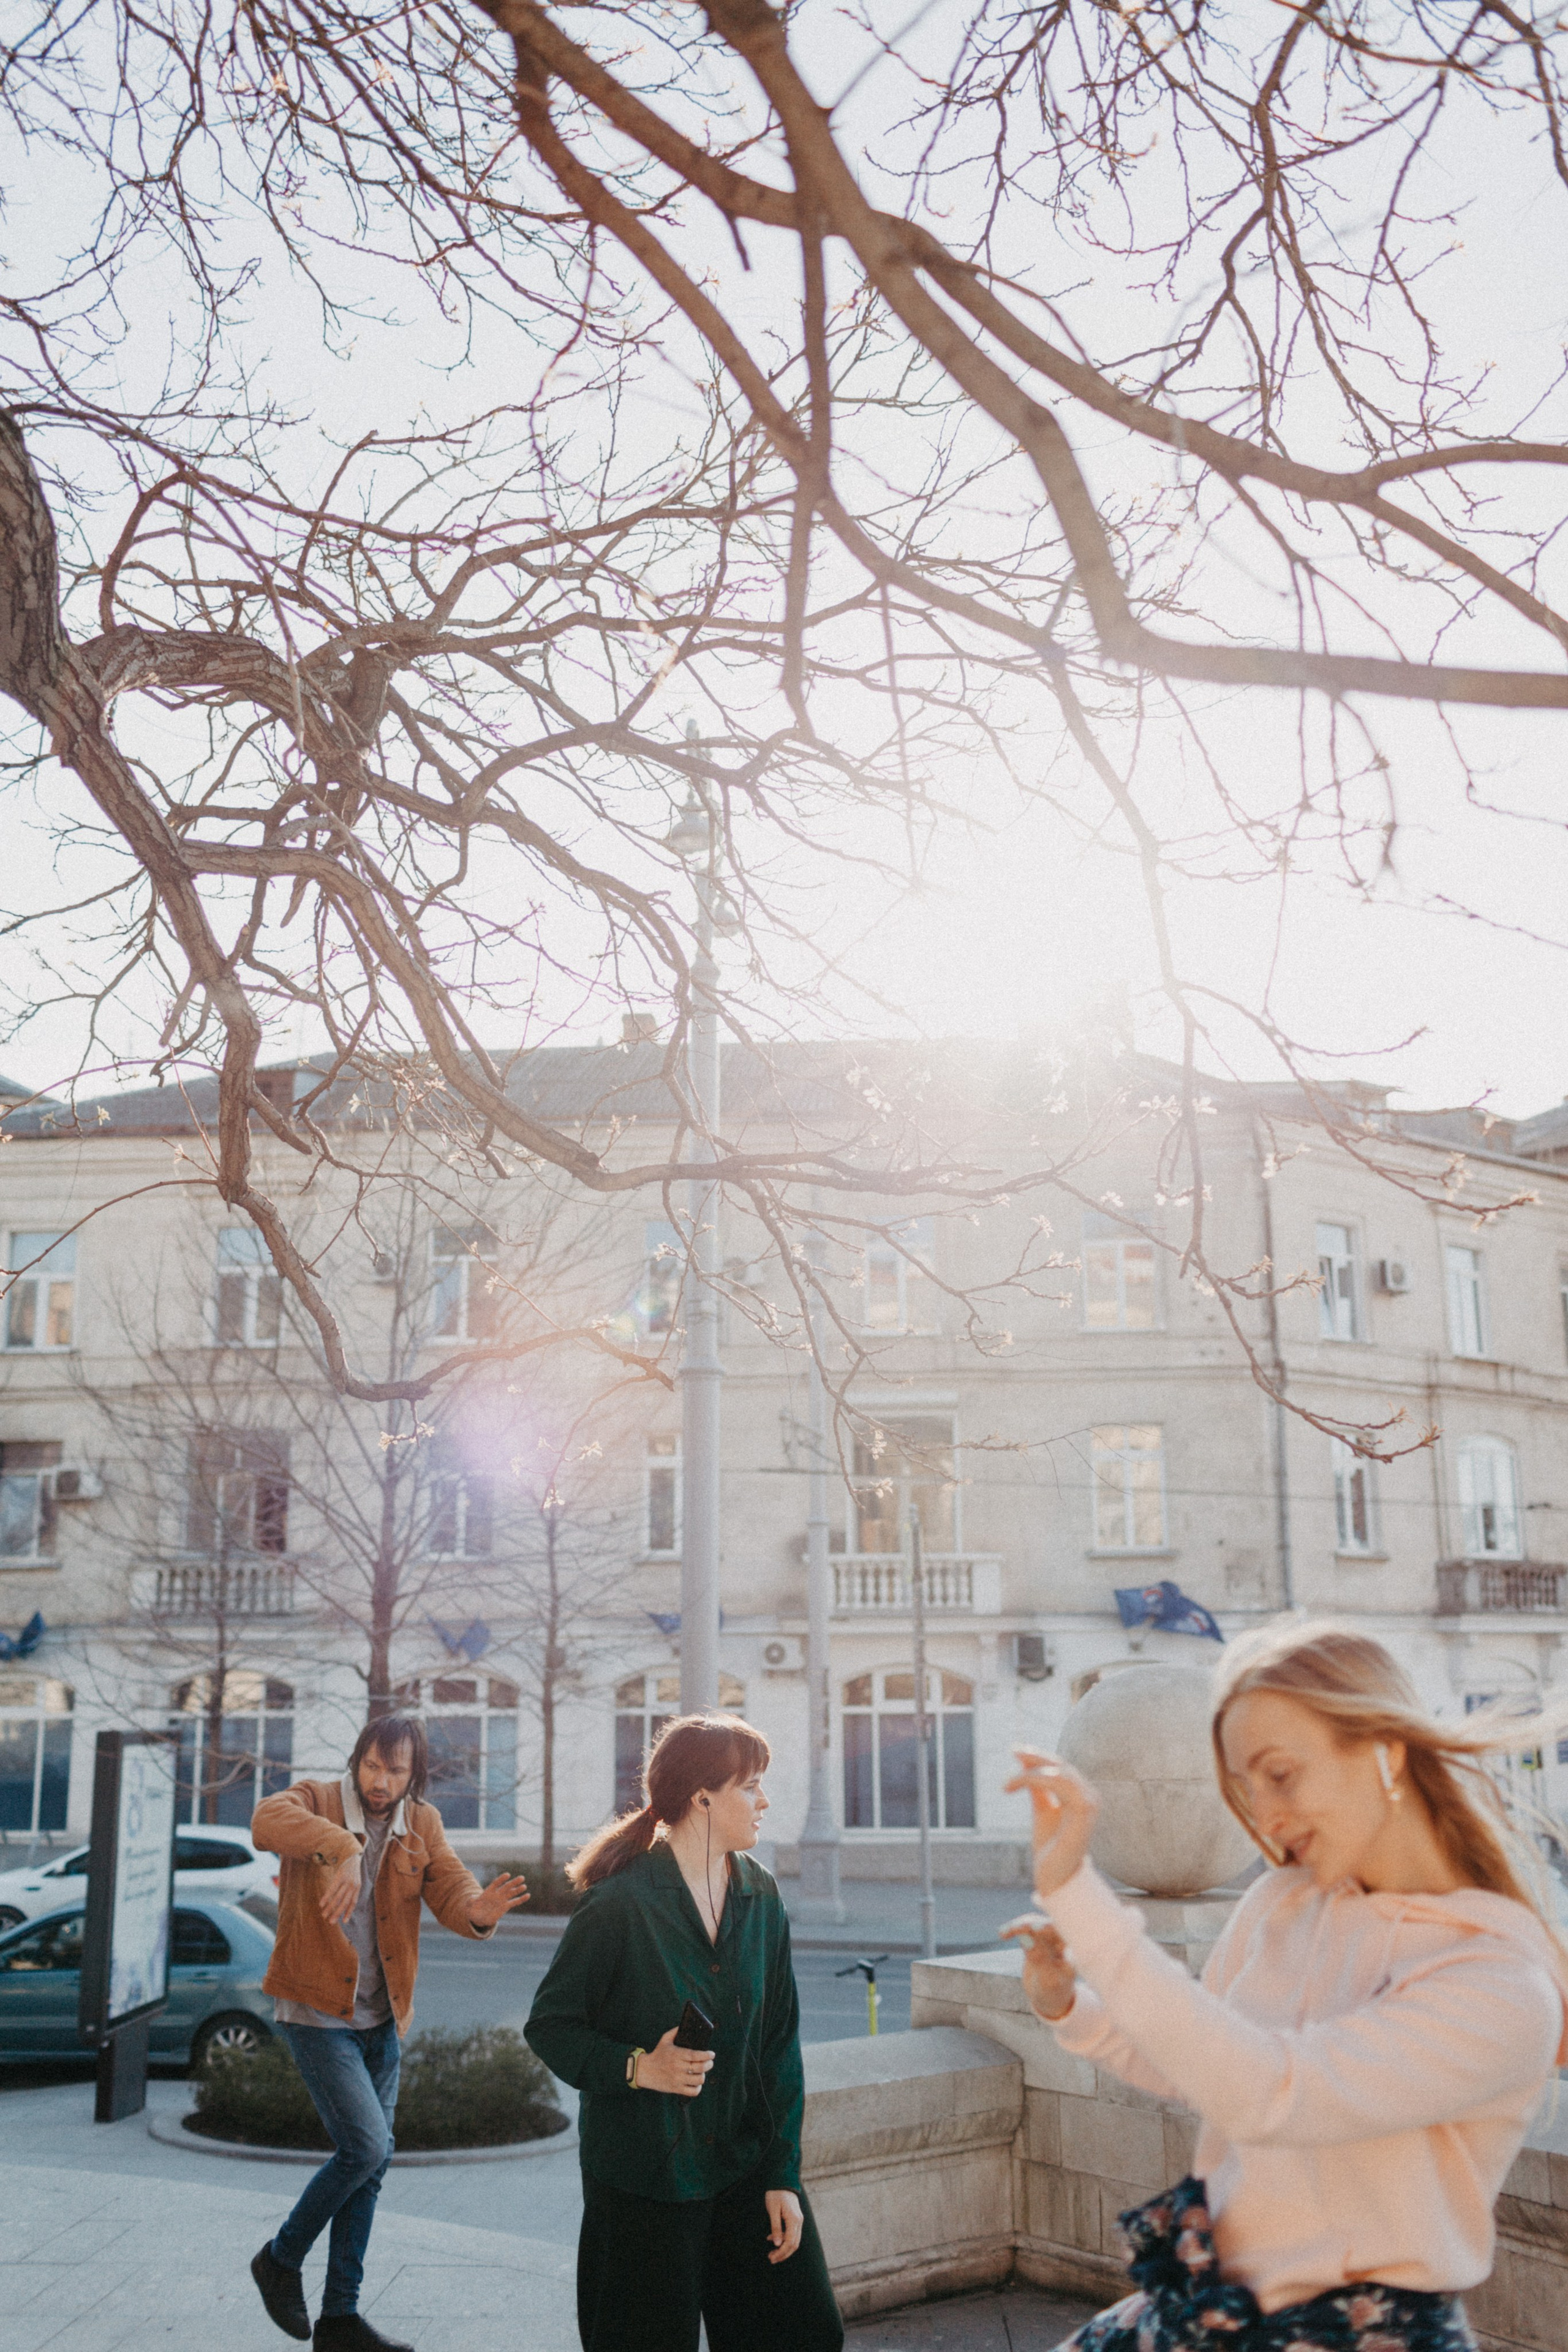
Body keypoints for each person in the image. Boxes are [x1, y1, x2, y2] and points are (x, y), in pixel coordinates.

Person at [1001, 1619, 1568, 2352]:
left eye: (1280, 1774)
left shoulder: (1499, 1981)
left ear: (1384, 1751)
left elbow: (1274, 2091)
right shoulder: (1282, 1903)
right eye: (1245, 1787)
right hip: (1203, 2304)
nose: (1263, 1817)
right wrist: (1072, 2008)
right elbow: (1207, 2061)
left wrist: (1079, 1896)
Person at [524, 1712, 843, 2352]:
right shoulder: (619, 1904)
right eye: (750, 1785)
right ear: (703, 1797)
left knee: (804, 2336)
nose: (765, 1801)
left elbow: (778, 2046)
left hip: (744, 2168)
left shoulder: (761, 1896)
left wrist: (783, 2173)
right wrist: (641, 2067)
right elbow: (552, 2027)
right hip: (645, 2179)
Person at [247, 1712, 529, 2352]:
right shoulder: (317, 1800)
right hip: (318, 2010)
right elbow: (266, 1821)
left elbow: (452, 1886)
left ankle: (340, 2319)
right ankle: (279, 2258)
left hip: (383, 2019)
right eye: (372, 1766)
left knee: (370, 2168)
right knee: (367, 2148)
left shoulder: (420, 1824)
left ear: (413, 1774)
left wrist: (476, 1912)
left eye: (395, 1771)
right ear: (358, 1760)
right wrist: (343, 1848)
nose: (380, 1781)